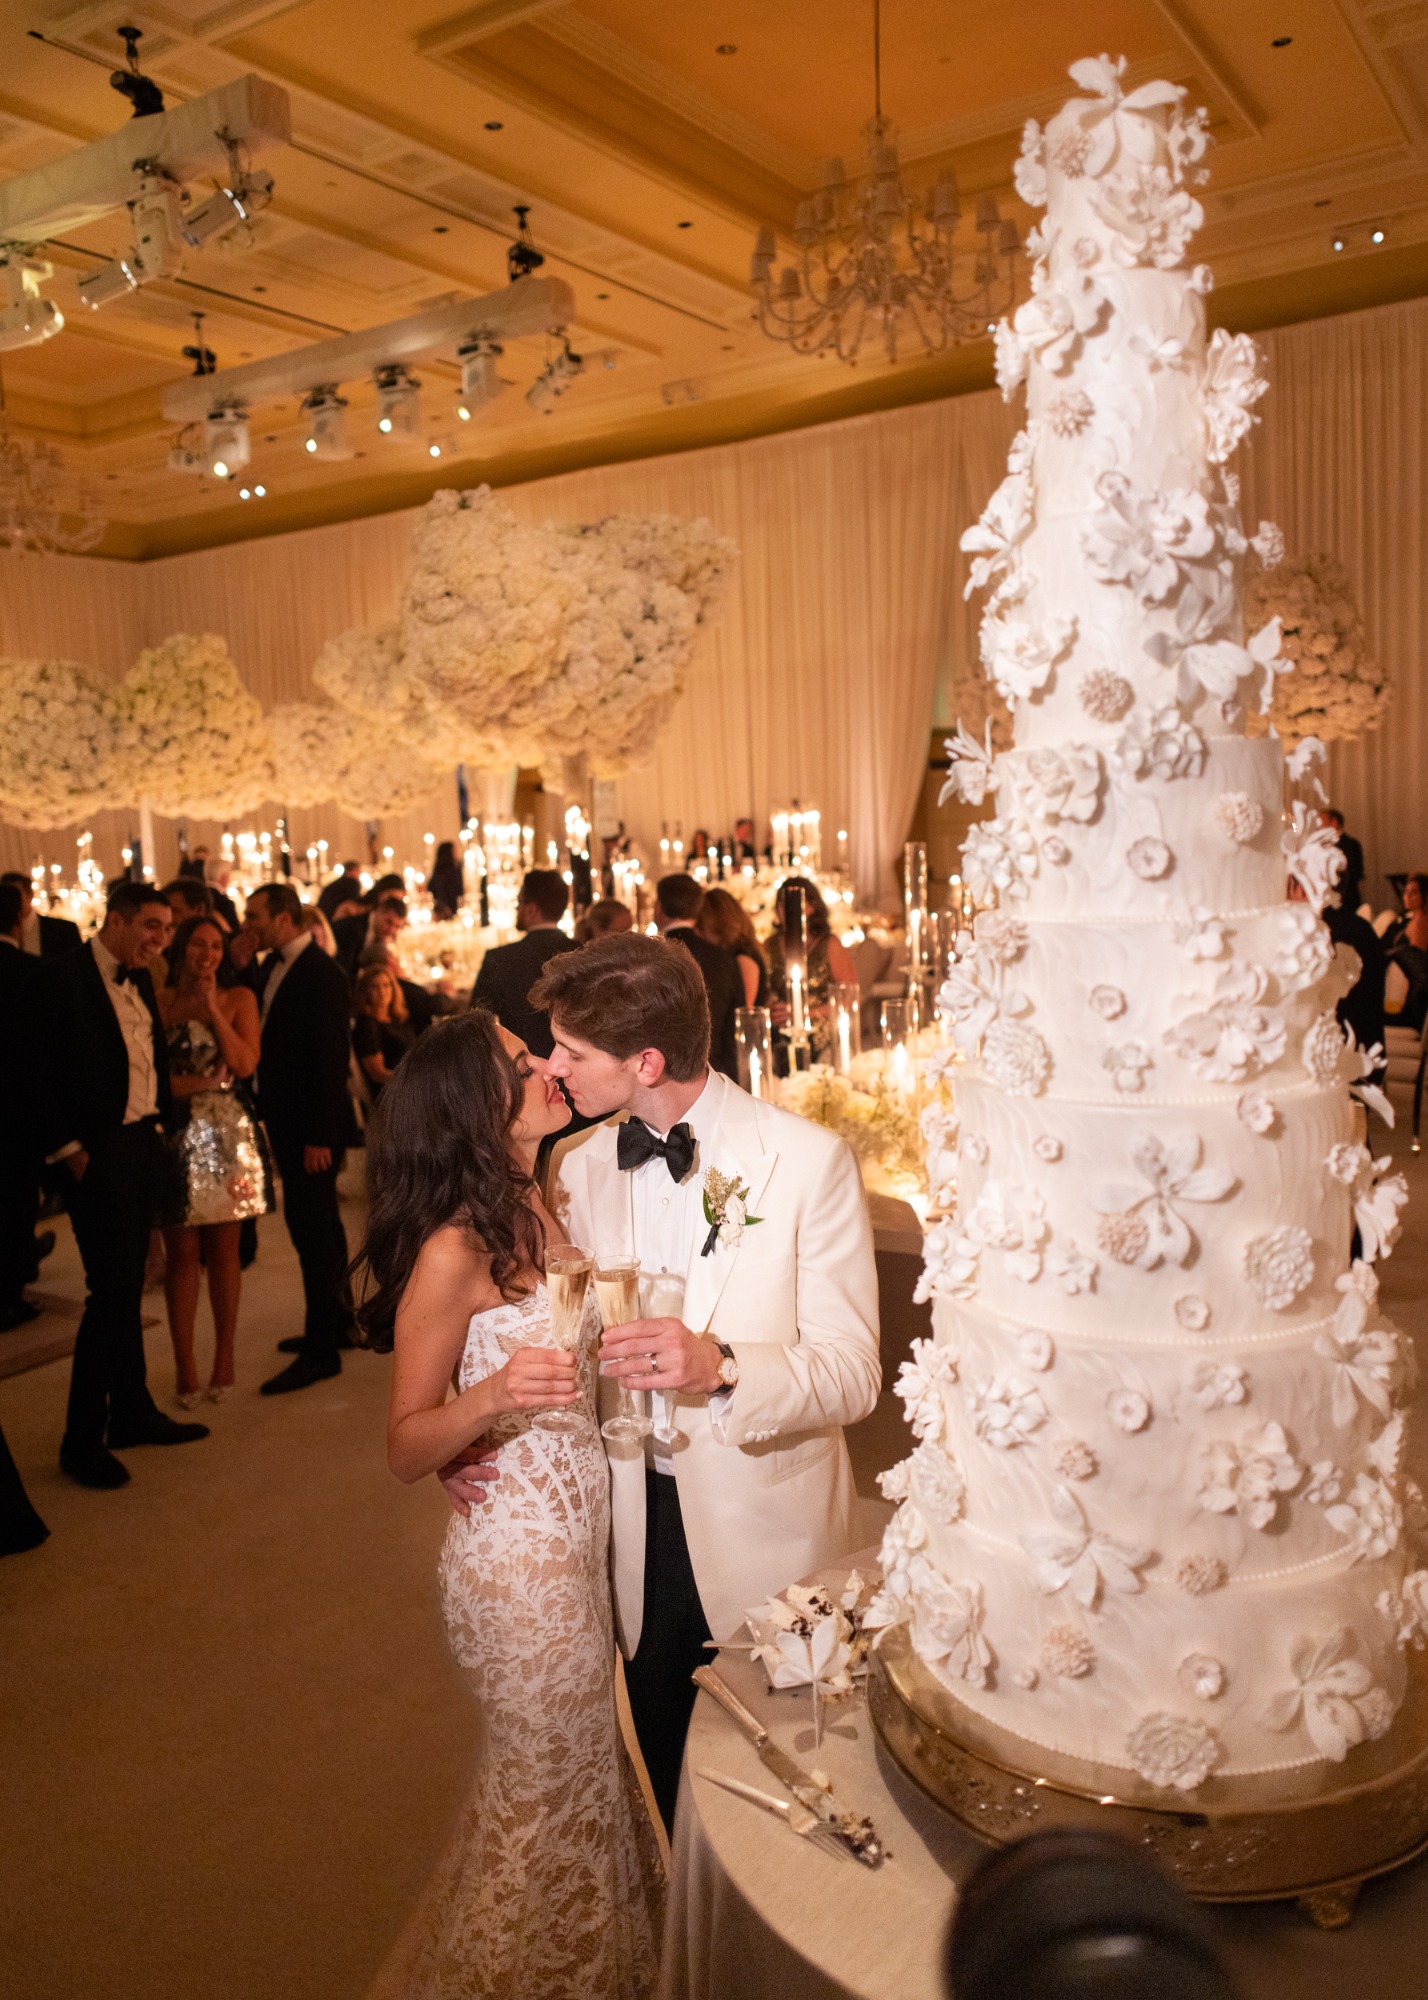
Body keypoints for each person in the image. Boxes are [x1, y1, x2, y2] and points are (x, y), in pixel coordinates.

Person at [525, 933, 880, 1834]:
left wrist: (719, 1365)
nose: (550, 1066)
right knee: (669, 1771)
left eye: (571, 1052)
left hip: (769, 1534)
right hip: (633, 1537)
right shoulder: (577, 1165)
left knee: (791, 1793)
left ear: (645, 1061)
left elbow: (854, 1375)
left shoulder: (808, 1163)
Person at [357, 1012, 663, 1999]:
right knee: (544, 1797)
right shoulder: (452, 1247)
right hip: (517, 1566)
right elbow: (407, 1441)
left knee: (586, 1784)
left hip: (583, 1539)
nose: (542, 1063)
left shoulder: (547, 1192)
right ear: (470, 1104)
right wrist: (487, 1401)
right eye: (517, 1060)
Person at [29, 882, 209, 1488]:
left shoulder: (138, 984)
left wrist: (160, 1131)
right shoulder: (62, 977)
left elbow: (147, 1064)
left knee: (129, 1284)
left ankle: (130, 1411)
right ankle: (80, 1440)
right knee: (110, 1293)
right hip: (95, 1154)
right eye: (152, 927)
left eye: (164, 930)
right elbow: (30, 1073)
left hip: (139, 1147)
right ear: (118, 919)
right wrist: (72, 1153)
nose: (160, 941)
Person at [243, 882, 357, 1394]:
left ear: (285, 918)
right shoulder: (272, 965)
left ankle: (321, 1350)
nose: (250, 925)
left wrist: (320, 1136)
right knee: (321, 1228)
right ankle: (338, 1322)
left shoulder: (320, 971)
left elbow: (330, 1062)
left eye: (256, 916)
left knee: (311, 1232)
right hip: (287, 1119)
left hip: (311, 1127)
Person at [156, 915, 271, 1407]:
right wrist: (199, 1084)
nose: (207, 955)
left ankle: (225, 1357)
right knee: (180, 1257)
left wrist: (210, 1010)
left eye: (216, 947)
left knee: (225, 1252)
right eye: (198, 945)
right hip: (172, 1134)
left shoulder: (238, 998)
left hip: (227, 1135)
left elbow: (245, 1063)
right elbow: (150, 1080)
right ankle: (185, 1365)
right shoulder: (157, 1001)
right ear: (181, 949)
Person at [469, 869, 577, 1060]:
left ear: (531, 909)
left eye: (519, 903)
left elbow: (476, 1022)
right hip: (576, 1067)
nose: (517, 909)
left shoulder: (499, 958)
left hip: (523, 1069)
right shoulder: (583, 952)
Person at [0, 882, 45, 1330]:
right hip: (16, 1105)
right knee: (15, 1201)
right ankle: (10, 1294)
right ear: (19, 920)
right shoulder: (31, 971)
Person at [653, 874, 740, 1082]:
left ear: (659, 907)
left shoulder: (651, 958)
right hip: (718, 1075)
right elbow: (734, 1026)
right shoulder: (723, 957)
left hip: (666, 1079)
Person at [766, 876, 860, 1063]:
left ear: (812, 906)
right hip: (779, 1037)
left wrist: (806, 1012)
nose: (787, 911)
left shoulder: (829, 945)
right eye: (781, 905)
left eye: (794, 904)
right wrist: (773, 1010)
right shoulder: (769, 946)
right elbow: (764, 990)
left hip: (822, 1040)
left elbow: (851, 996)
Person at [697, 884, 769, 1010]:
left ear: (715, 924)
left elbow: (743, 1011)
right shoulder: (740, 953)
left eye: (701, 926)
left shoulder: (743, 958)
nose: (698, 933)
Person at [352, 963, 416, 1099]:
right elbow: (378, 1073)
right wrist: (414, 1083)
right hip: (395, 1093)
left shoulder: (396, 1018)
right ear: (366, 992)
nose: (382, 992)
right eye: (375, 987)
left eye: (386, 985)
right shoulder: (367, 1025)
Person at [1, 870, 81, 958]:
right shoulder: (3, 933)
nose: (10, 902)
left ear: (30, 895)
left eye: (15, 896)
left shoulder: (64, 930)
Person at [334, 891, 407, 986]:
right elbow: (344, 971)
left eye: (397, 927)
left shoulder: (382, 934)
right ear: (378, 911)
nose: (392, 930)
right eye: (389, 922)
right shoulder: (353, 930)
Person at [1322, 808, 1366, 912]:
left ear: (1334, 822)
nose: (1318, 826)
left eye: (1321, 821)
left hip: (1346, 901)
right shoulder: (1321, 845)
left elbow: (1355, 872)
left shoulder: (1351, 844)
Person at [427, 840, 465, 920]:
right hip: (449, 909)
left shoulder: (437, 871)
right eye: (455, 851)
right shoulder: (454, 871)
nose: (457, 854)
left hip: (440, 911)